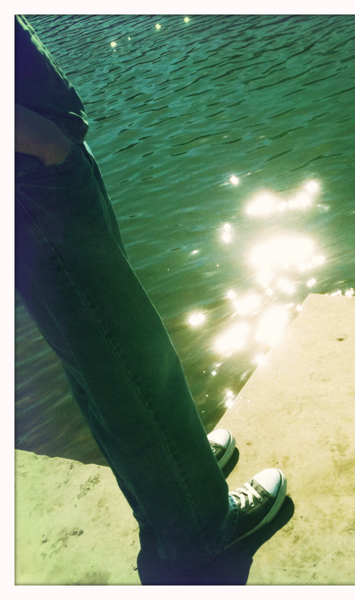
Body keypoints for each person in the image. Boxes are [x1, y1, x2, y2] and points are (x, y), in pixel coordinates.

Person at [15, 14, 287, 582]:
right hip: (31, 174)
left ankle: (177, 475)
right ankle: (198, 526)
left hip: (32, 170)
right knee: (124, 357)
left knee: (99, 356)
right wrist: (47, 144)